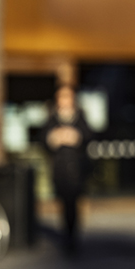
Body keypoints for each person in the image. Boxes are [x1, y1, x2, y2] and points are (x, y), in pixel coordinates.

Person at [42, 84, 93, 255]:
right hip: (60, 170)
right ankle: (67, 236)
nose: (64, 100)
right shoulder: (53, 118)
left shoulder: (80, 117)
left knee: (74, 204)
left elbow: (88, 137)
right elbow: (43, 139)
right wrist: (53, 138)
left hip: (77, 170)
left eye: (67, 96)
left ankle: (73, 238)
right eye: (61, 97)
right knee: (64, 204)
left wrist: (75, 137)